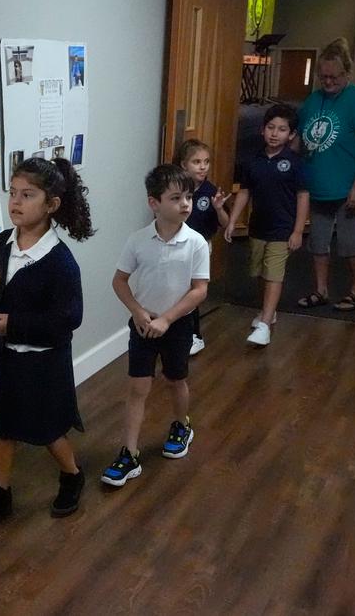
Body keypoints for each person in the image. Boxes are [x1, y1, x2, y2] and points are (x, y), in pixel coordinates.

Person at [0, 157, 95, 526]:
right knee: (4, 427)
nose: (15, 202)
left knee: (47, 430)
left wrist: (12, 324)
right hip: (5, 359)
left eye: (27, 195)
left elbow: (67, 321)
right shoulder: (2, 244)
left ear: (51, 205)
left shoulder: (60, 263)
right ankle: (0, 491)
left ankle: (72, 475)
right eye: (12, 193)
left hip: (42, 362)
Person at [101, 164, 209, 487]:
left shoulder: (196, 243)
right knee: (138, 388)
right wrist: (137, 311)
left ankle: (181, 425)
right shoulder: (137, 241)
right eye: (176, 198)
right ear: (154, 203)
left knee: (175, 379)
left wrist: (167, 319)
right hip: (143, 324)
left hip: (176, 325)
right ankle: (129, 453)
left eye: (188, 197)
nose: (185, 204)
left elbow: (200, 290)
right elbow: (119, 281)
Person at [296, 37, 355, 312]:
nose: (328, 82)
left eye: (334, 77)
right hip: (317, 185)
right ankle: (321, 290)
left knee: (349, 243)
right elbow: (300, 137)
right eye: (323, 77)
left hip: (348, 188)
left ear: (347, 73)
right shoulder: (313, 100)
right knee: (318, 241)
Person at [225, 105, 310, 346]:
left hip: (282, 229)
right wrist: (233, 220)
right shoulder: (253, 161)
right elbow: (245, 191)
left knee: (274, 273)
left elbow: (303, 196)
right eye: (271, 128)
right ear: (263, 130)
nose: (275, 133)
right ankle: (268, 312)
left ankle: (264, 325)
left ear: (291, 135)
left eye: (282, 129)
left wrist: (297, 230)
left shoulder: (294, 163)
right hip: (258, 227)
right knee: (260, 271)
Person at [173, 139, 229, 355]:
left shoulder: (211, 191)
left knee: (193, 291)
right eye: (197, 162)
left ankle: (195, 335)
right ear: (183, 165)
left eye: (206, 162)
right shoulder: (176, 188)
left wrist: (219, 208)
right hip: (177, 244)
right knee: (178, 290)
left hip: (201, 246)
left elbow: (225, 223)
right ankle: (177, 331)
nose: (203, 166)